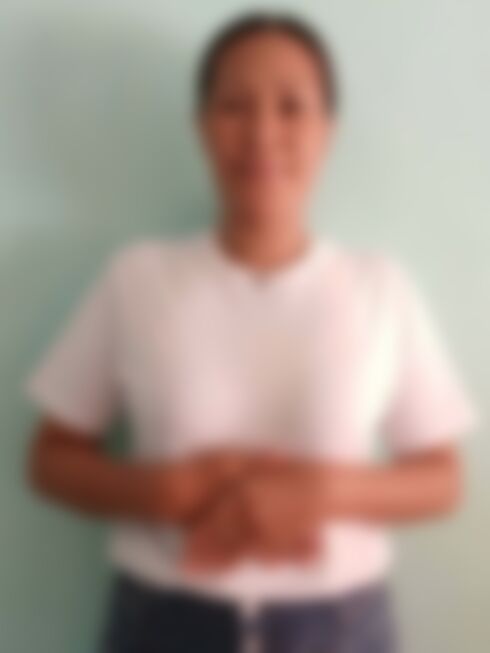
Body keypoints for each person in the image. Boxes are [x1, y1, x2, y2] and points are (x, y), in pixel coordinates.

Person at [24, 11, 479, 653]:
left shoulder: (379, 287)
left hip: (342, 628)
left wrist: (321, 493)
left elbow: (442, 478)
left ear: (328, 130)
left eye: (292, 107)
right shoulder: (138, 278)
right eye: (235, 106)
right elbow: (51, 459)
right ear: (202, 125)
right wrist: (162, 491)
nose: (263, 132)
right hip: (162, 622)